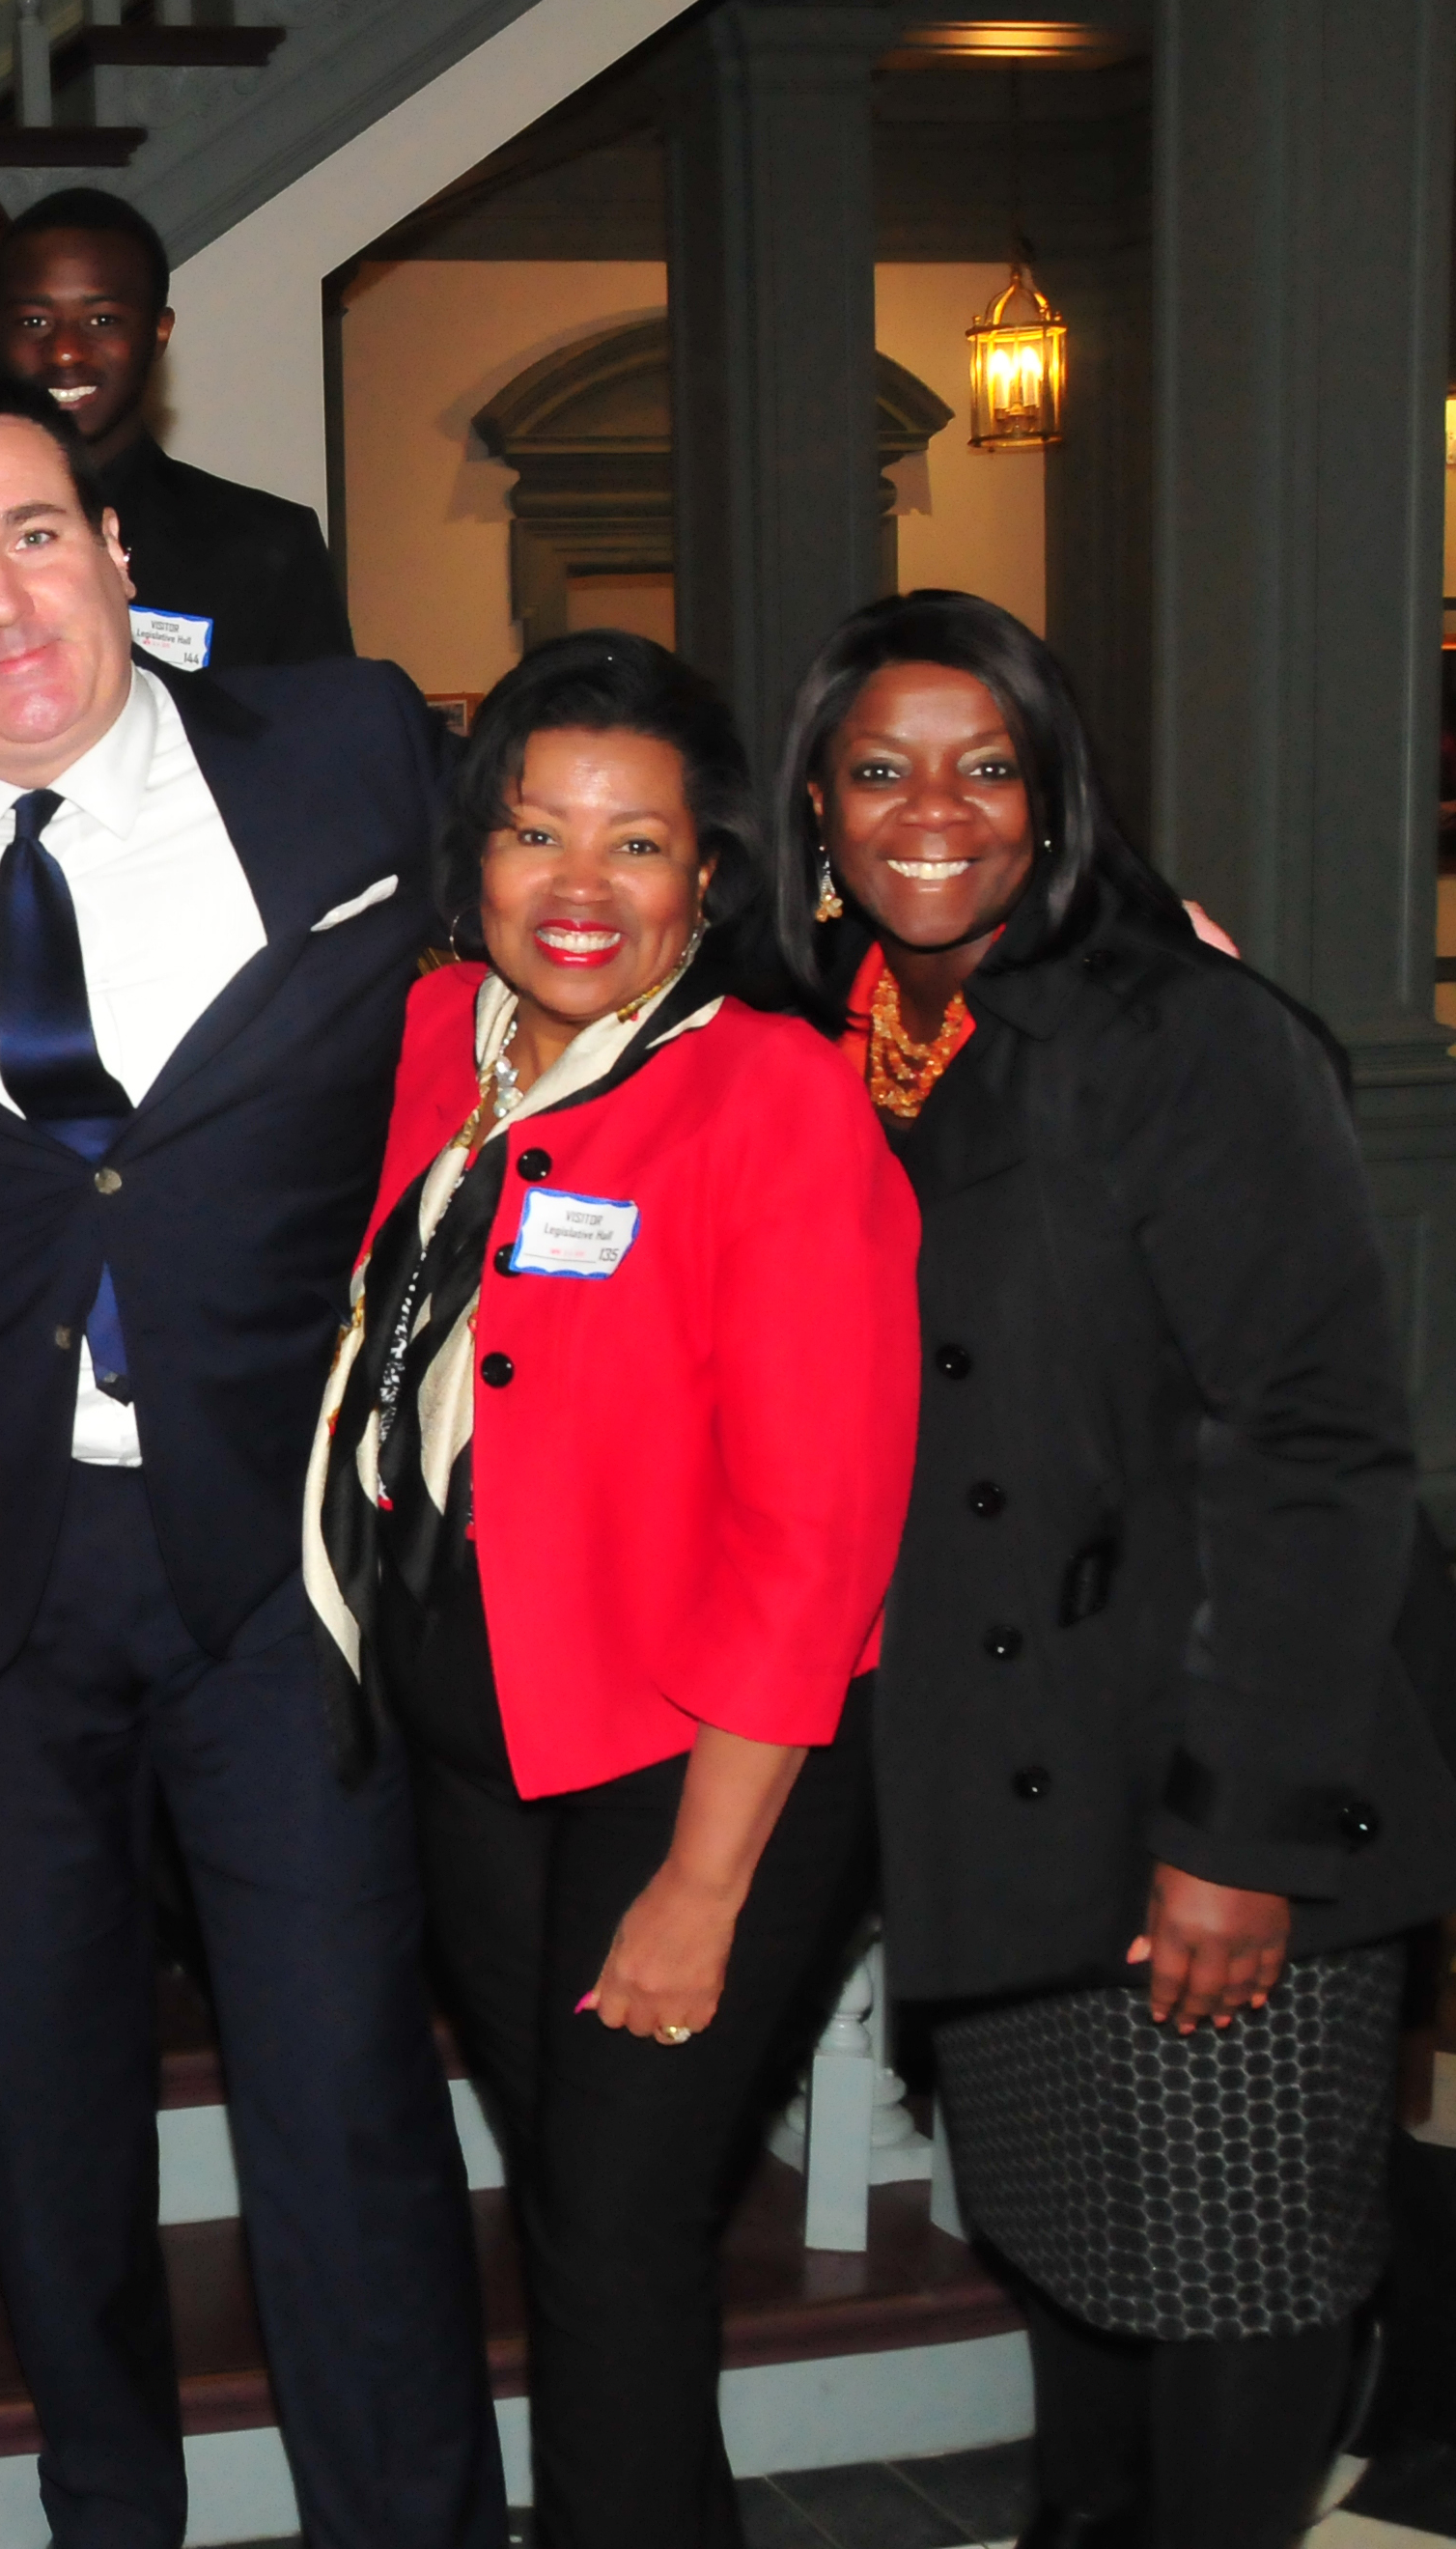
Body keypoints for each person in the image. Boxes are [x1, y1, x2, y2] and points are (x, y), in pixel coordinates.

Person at [0, 376, 500, 2549]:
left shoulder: (351, 745)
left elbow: (603, 905)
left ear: (116, 551)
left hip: (284, 1567)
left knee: (343, 2112)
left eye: (32, 534)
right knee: (48, 2129)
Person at [767, 591, 1456, 2549]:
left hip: (1198, 1770)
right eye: (879, 767)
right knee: (1078, 2260)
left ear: (1055, 798)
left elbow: (1316, 1448)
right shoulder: (831, 1044)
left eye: (986, 766)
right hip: (988, 1786)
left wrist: (1239, 1833)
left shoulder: (1183, 1028)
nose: (933, 810)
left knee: (1234, 2282)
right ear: (813, 799)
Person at [299, 630, 918, 2546]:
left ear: (710, 875)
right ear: (470, 851)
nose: (574, 887)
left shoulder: (772, 1099)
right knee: (576, 2213)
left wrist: (701, 1882)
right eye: (531, 832)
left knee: (620, 2241)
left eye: (631, 844)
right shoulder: (437, 1043)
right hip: (481, 1721)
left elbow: (816, 1532)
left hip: (703, 1754)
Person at [0, 188, 350, 674]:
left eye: (102, 320)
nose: (66, 351)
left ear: (158, 333)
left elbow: (328, 739)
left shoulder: (264, 545)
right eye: (35, 321)